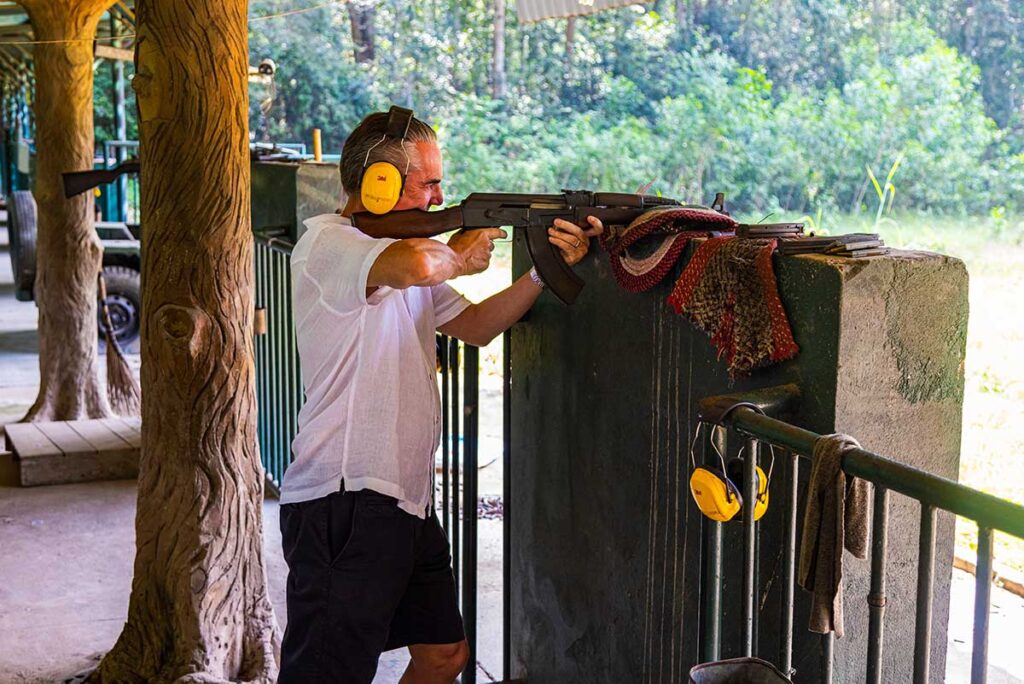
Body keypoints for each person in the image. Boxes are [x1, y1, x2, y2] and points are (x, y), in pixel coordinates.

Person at [278, 109, 603, 684]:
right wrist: (462, 253)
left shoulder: (404, 264)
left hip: (402, 499)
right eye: (428, 183)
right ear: (379, 182)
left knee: (445, 656)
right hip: (343, 498)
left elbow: (476, 325)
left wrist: (542, 272)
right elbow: (421, 263)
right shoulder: (329, 245)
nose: (439, 195)